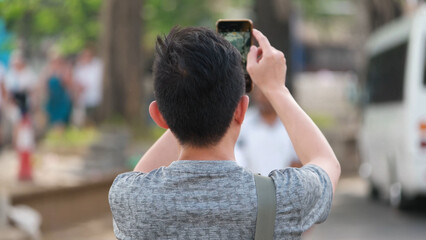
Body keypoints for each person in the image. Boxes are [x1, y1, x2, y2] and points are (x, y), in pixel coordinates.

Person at [109, 27, 340, 239]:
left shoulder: (130, 198)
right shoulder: (284, 198)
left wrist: (183, 104)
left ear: (158, 116)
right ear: (241, 110)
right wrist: (275, 88)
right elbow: (326, 161)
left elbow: (140, 176)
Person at [235, 87, 301, 176]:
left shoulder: (293, 123)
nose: (263, 97)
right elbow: (237, 159)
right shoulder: (243, 122)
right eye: (260, 93)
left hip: (284, 186)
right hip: (252, 185)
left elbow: (298, 162)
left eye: (266, 93)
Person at [39, 51, 73, 127]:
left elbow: (69, 84)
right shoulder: (47, 70)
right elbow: (43, 85)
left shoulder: (64, 70)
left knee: (61, 122)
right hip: (51, 99)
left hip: (62, 99)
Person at [73, 47, 103, 126]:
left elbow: (96, 81)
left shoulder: (97, 65)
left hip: (94, 96)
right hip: (83, 96)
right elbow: (76, 80)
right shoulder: (79, 66)